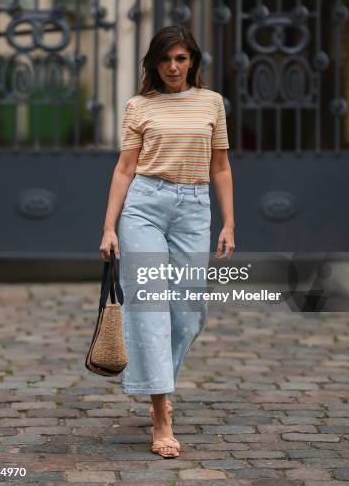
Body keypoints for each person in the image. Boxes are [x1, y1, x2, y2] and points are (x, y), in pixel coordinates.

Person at [100, 25, 235, 458]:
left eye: (180, 58)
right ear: (154, 64)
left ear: (192, 60)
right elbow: (124, 169)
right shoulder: (139, 106)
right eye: (165, 59)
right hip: (145, 205)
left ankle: (159, 381)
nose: (173, 67)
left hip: (194, 209)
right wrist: (108, 227)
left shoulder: (212, 103)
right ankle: (161, 414)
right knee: (150, 307)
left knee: (189, 314)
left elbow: (221, 167)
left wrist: (228, 223)